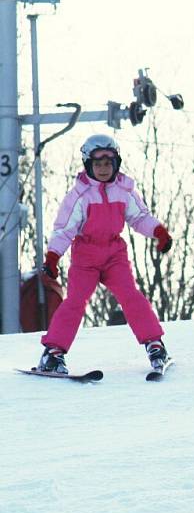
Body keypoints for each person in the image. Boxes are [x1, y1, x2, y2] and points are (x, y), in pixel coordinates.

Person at [36, 134, 174, 375]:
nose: (102, 169)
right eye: (97, 164)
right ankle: (53, 353)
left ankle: (154, 344)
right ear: (88, 165)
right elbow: (64, 229)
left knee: (130, 295)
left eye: (108, 163)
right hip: (86, 256)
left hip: (114, 254)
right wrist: (53, 257)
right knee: (75, 301)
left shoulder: (124, 190)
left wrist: (159, 232)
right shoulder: (79, 195)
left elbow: (139, 217)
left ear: (116, 164)